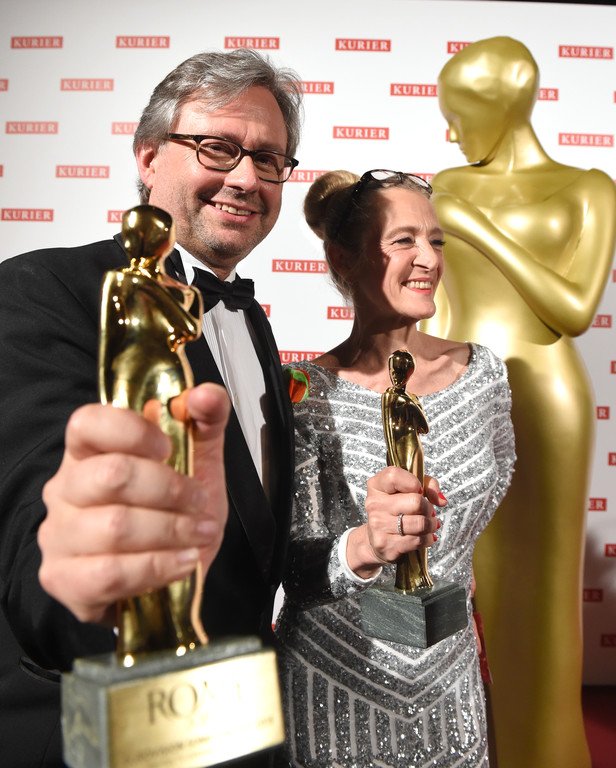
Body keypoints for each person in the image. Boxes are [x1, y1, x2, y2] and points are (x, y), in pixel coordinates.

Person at [0, 49, 303, 767]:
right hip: (95, 736)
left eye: (269, 160)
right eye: (217, 148)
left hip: (237, 732)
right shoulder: (43, 288)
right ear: (147, 157)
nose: (245, 178)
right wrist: (86, 584)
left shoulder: (253, 325)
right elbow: (37, 518)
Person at [274, 170, 515, 767]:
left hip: (448, 682)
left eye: (435, 240)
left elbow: (490, 494)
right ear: (344, 258)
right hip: (334, 683)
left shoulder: (484, 375)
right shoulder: (303, 392)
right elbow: (294, 572)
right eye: (403, 240)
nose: (428, 258)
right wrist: (364, 545)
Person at [424, 36, 616, 768]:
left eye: (459, 114)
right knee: (470, 583)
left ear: (501, 106)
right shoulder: (445, 185)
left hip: (544, 394)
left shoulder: (588, 187)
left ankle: (551, 753)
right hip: (462, 391)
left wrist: (478, 229)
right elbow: (442, 308)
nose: (451, 134)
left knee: (544, 589)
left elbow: (572, 309)